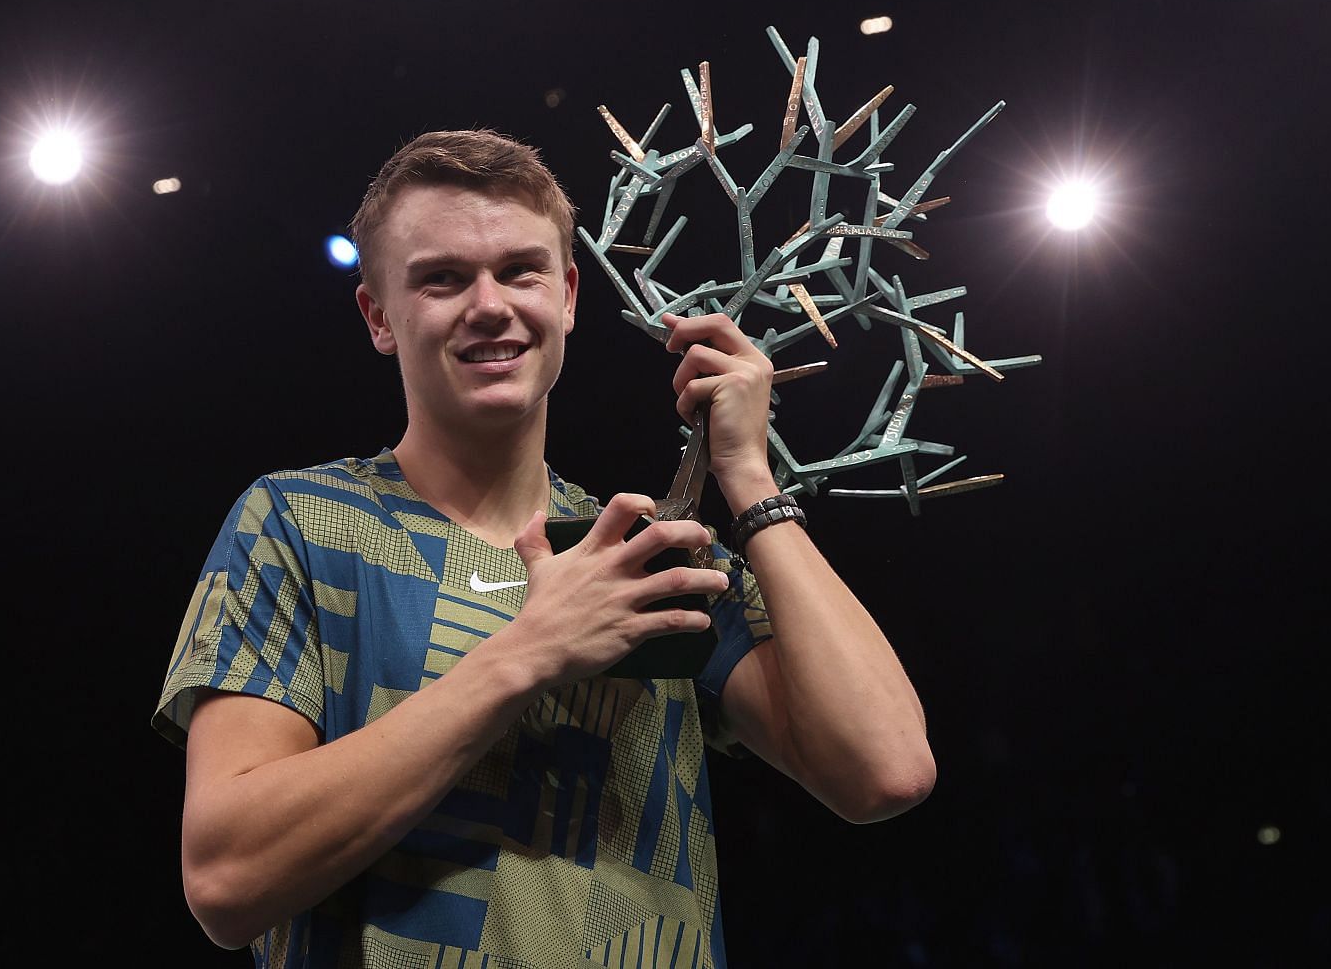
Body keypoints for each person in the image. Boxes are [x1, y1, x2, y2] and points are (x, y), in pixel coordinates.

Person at [152, 129, 936, 967]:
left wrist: (747, 475)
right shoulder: (300, 522)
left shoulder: (641, 555)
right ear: (379, 314)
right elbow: (228, 878)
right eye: (442, 278)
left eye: (520, 270)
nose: (490, 304)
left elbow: (885, 771)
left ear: (566, 295)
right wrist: (530, 649)